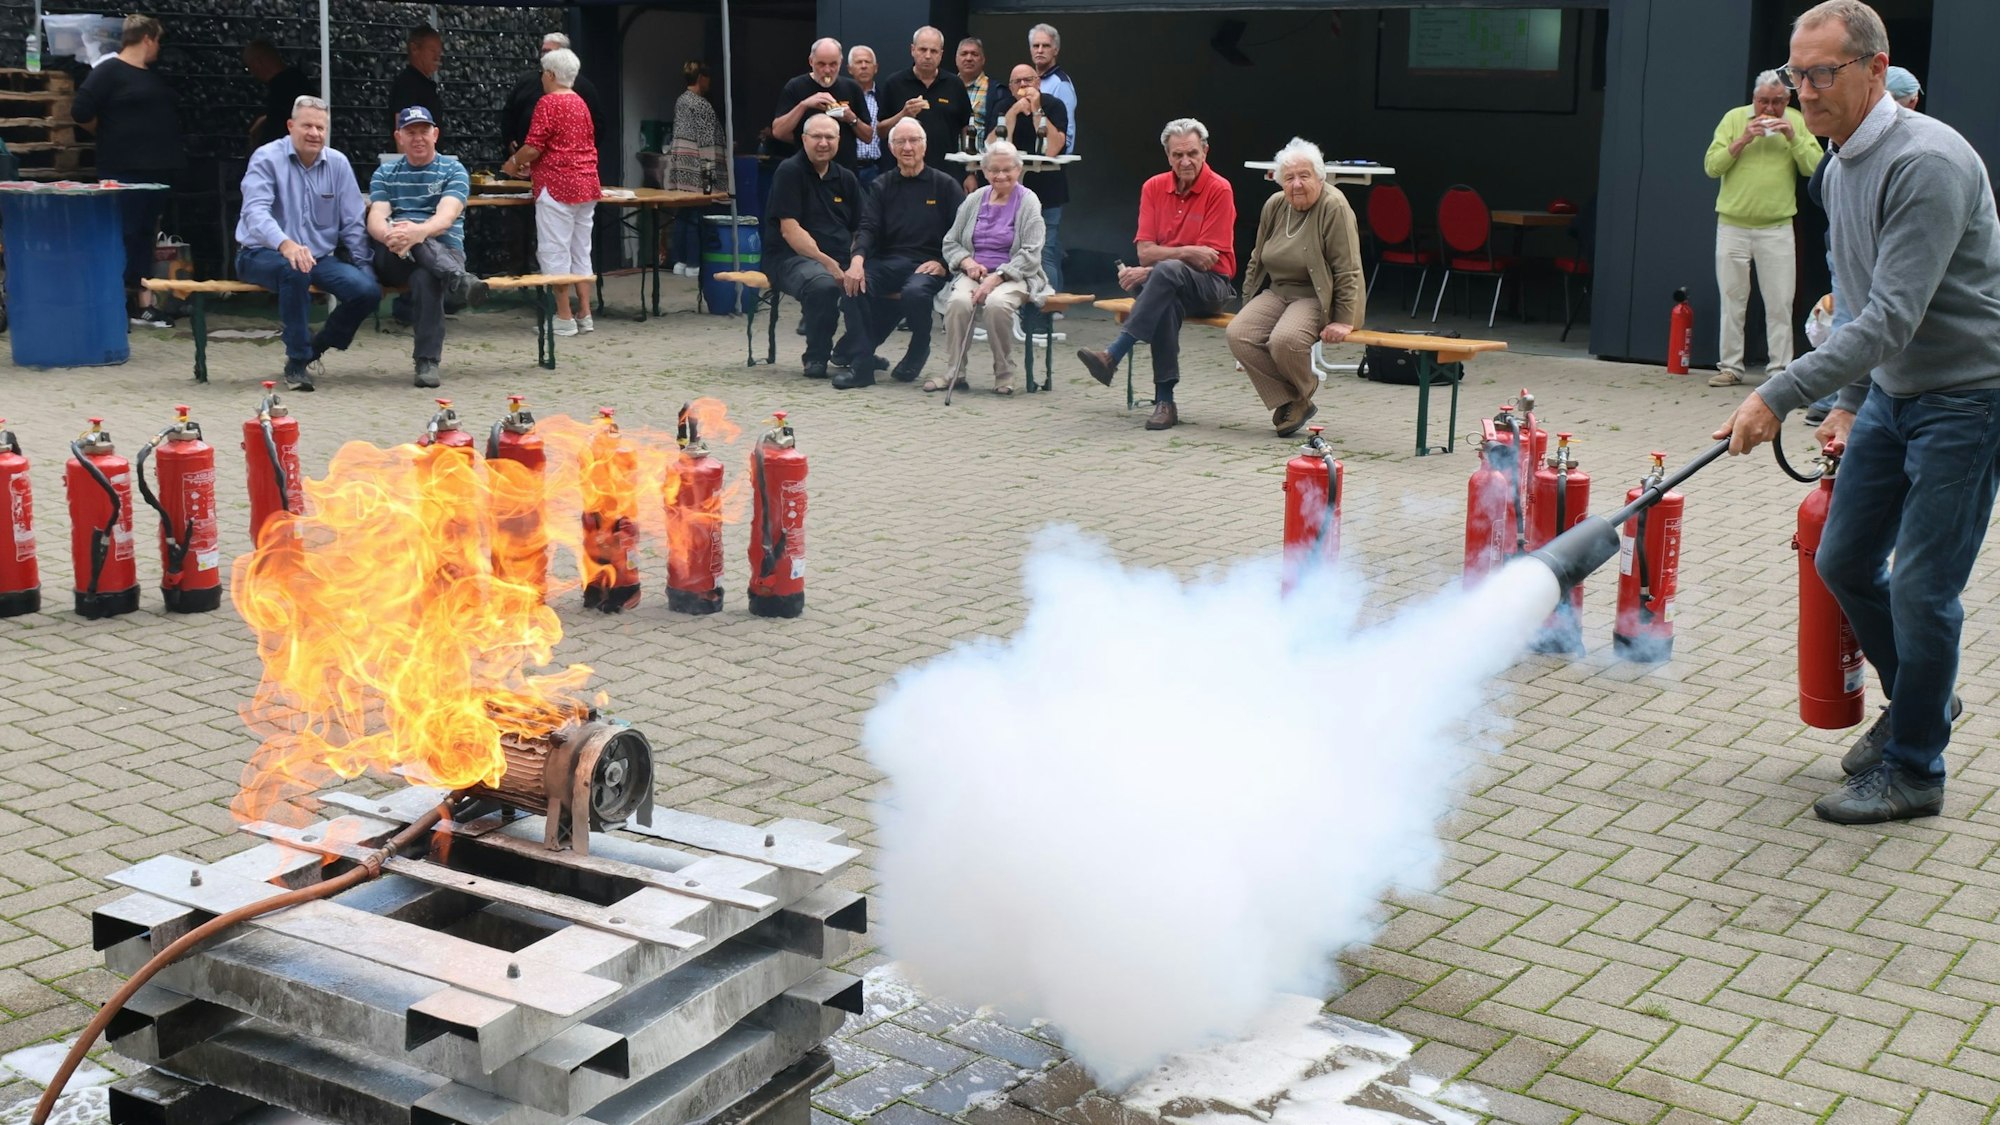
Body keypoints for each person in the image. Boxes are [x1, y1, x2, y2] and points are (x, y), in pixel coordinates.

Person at [1714, 0, 2000, 825]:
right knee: (1841, 559)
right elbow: (1856, 304)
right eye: (1794, 74)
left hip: (1967, 398)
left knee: (1922, 587)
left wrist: (1776, 392)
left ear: (1876, 70)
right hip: (1891, 395)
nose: (1803, 90)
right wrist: (1844, 401)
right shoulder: (1837, 169)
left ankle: (1916, 770)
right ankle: (1924, 701)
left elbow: (1892, 319)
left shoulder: (1928, 163)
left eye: (1821, 73)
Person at [1076, 119, 1235, 432]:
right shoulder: (1153, 187)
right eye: (1177, 155)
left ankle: (1113, 355)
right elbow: (1145, 251)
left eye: (1191, 153)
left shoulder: (1220, 189)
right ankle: (1165, 402)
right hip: (1165, 285)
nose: (1185, 161)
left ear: (1205, 151)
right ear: (1168, 156)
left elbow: (1207, 260)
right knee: (1166, 299)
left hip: (1212, 287)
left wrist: (1159, 264)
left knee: (1166, 274)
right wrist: (1185, 252)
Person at [236, 97, 380, 392]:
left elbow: (353, 222)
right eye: (307, 126)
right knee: (294, 270)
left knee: (367, 291)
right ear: (291, 126)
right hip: (260, 253)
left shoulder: (337, 163)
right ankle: (297, 361)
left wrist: (365, 267)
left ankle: (318, 346)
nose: (314, 133)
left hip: (317, 257)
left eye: (320, 127)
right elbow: (255, 213)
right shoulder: (266, 158)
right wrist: (285, 244)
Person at [1227, 138, 1365, 437]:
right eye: (1289, 178)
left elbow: (1348, 266)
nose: (1297, 184)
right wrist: (1247, 303)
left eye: (1305, 176)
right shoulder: (1275, 206)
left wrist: (1344, 319)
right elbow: (1256, 259)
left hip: (1316, 295)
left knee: (1285, 339)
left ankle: (1302, 392)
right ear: (1280, 182)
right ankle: (1293, 398)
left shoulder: (1334, 206)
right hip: (1279, 291)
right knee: (1239, 333)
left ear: (1320, 176)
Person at [1703, 69, 1823, 388]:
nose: (1769, 110)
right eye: (1763, 102)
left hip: (1777, 226)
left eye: (1777, 102)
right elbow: (1712, 166)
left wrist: (1792, 136)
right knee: (1732, 299)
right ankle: (1730, 367)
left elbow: (1816, 167)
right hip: (1732, 224)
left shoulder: (1796, 120)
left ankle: (1780, 370)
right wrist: (1744, 138)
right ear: (1753, 99)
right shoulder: (1733, 119)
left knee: (1780, 300)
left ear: (1788, 100)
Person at [833, 119, 965, 390]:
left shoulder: (946, 185)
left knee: (915, 293)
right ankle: (862, 366)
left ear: (924, 146)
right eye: (900, 142)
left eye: (914, 140)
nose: (908, 147)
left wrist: (944, 264)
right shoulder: (881, 185)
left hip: (928, 264)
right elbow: (868, 227)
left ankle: (919, 347)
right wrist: (856, 260)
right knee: (852, 286)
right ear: (891, 149)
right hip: (888, 262)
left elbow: (963, 235)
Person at [72, 14, 185, 329]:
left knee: (145, 236)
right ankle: (113, 302)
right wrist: (107, 133)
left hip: (156, 171)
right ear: (147, 38)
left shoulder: (150, 75)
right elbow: (80, 110)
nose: (159, 48)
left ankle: (142, 304)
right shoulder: (108, 71)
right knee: (123, 233)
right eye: (158, 41)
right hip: (123, 171)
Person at [369, 107, 488, 389]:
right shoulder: (385, 172)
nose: (418, 138)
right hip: (394, 253)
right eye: (411, 132)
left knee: (426, 275)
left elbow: (445, 219)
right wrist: (391, 235)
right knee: (418, 251)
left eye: (424, 131)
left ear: (436, 134)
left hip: (444, 251)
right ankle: (459, 280)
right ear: (399, 137)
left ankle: (426, 362)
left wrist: (416, 232)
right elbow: (376, 217)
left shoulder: (453, 170)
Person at [502, 48, 599, 336]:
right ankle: (585, 312)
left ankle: (564, 317)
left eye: (544, 73)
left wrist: (514, 162)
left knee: (554, 252)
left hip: (556, 187)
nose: (542, 78)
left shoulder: (548, 103)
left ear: (552, 75)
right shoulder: (581, 103)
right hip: (586, 184)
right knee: (581, 251)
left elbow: (534, 146)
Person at [939, 141, 1048, 396]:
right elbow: (951, 241)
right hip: (974, 271)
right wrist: (967, 262)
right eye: (994, 170)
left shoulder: (1029, 201)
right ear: (985, 172)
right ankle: (955, 372)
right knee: (958, 303)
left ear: (1018, 169)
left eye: (1007, 169)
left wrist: (997, 277)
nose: (1000, 176)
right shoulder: (975, 199)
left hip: (1015, 274)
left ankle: (1004, 374)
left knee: (997, 304)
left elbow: (1032, 252)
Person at [763, 114, 865, 379]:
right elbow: (790, 230)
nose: (823, 143)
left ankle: (857, 350)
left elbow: (861, 227)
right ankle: (817, 356)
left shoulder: (846, 178)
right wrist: (829, 264)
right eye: (816, 137)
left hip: (841, 257)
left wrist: (857, 262)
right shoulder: (789, 171)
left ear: (839, 141)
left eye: (829, 137)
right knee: (823, 284)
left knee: (876, 281)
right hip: (789, 258)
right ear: (804, 139)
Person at [989, 65, 1067, 291]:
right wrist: (1013, 113)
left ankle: (1046, 310)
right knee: (1010, 250)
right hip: (1010, 194)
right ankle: (1015, 306)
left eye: (1028, 80)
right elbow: (993, 147)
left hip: (1048, 190)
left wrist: (1036, 111)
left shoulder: (1053, 105)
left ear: (1038, 82)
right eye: (1017, 82)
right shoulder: (1003, 106)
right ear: (1011, 87)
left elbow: (1053, 148)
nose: (1024, 86)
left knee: (1045, 251)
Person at [878, 27, 969, 176]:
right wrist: (903, 114)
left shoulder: (955, 84)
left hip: (946, 173)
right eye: (922, 50)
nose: (927, 56)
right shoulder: (894, 83)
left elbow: (966, 129)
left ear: (941, 54)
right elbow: (881, 131)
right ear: (912, 50)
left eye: (933, 51)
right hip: (903, 173)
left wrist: (969, 172)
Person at [770, 39, 872, 172]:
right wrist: (804, 105)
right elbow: (778, 131)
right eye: (821, 64)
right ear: (811, 62)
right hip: (805, 171)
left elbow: (868, 136)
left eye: (833, 64)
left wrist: (851, 118)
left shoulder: (852, 88)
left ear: (841, 62)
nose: (827, 70)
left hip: (844, 171)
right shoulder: (795, 87)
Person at [666, 61, 727, 276]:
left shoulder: (681, 101)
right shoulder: (701, 105)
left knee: (683, 213)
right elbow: (707, 141)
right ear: (701, 78)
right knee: (695, 215)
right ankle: (693, 264)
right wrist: (710, 180)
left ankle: (679, 261)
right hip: (698, 166)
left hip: (681, 165)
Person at [503, 33, 603, 155]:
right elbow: (509, 113)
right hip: (526, 157)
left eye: (549, 52)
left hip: (566, 161)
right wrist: (509, 139)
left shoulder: (583, 87)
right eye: (543, 51)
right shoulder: (526, 81)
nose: (544, 56)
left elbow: (596, 125)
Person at [243, 39, 315, 152]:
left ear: (258, 63)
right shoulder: (296, 82)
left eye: (249, 67)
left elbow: (278, 129)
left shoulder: (283, 89)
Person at [389, 26, 445, 143]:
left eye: (439, 52)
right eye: (432, 50)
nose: (437, 57)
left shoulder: (426, 84)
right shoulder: (406, 84)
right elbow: (402, 130)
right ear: (414, 49)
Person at [847, 45, 884, 187]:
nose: (863, 66)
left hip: (875, 169)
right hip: (847, 168)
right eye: (858, 62)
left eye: (867, 62)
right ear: (849, 69)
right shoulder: (840, 97)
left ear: (876, 68)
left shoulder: (883, 98)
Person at [956, 36, 990, 176]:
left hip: (982, 168)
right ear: (956, 58)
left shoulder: (994, 91)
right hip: (950, 165)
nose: (969, 58)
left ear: (983, 60)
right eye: (964, 54)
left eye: (974, 54)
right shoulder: (947, 87)